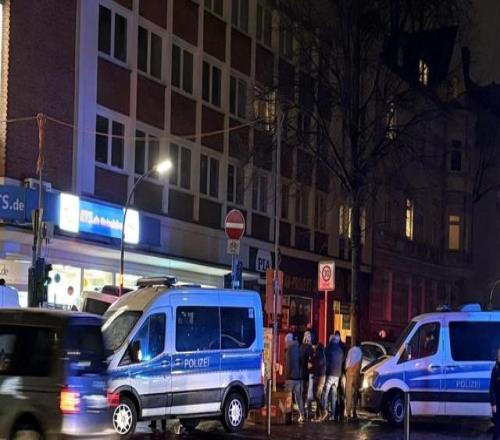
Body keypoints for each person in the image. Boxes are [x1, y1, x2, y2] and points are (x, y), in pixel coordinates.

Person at [319, 332, 344, 422]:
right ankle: (333, 415)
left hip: (330, 373)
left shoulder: (328, 348)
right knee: (334, 395)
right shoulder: (340, 349)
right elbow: (342, 360)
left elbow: (323, 360)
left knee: (325, 393)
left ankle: (325, 412)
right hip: (337, 375)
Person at [285, 332, 305, 423]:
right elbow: (301, 362)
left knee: (287, 397)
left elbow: (288, 364)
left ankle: (288, 416)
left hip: (290, 378)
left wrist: (287, 375)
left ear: (288, 341)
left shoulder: (288, 349)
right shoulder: (298, 348)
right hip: (298, 378)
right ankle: (302, 415)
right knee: (298, 397)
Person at [345, 341, 363, 421]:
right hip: (356, 373)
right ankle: (354, 411)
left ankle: (348, 413)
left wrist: (347, 370)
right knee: (355, 392)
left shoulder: (350, 350)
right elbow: (360, 364)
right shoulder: (360, 352)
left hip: (349, 372)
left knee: (348, 393)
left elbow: (347, 361)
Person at [300, 331, 314, 420]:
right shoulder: (310, 348)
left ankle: (302, 412)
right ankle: (309, 411)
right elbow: (311, 361)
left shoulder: (301, 347)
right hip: (308, 373)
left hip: (301, 373)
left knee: (302, 393)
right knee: (309, 393)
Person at [311, 341, 326, 421]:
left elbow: (315, 366)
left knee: (316, 396)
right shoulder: (323, 356)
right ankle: (317, 415)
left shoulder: (318, 356)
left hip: (318, 378)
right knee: (318, 396)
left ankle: (323, 411)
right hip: (322, 377)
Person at [490, 348, 500, 440]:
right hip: (498, 402)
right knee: (497, 427)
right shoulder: (495, 369)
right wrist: (493, 403)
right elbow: (492, 388)